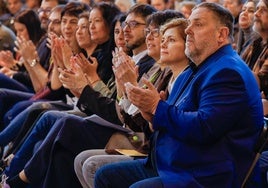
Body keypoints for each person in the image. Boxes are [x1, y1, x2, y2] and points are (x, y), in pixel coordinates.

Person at [94, 2, 264, 188]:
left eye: (198, 24)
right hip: (173, 164)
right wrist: (152, 116)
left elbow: (203, 127)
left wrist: (156, 107)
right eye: (189, 23)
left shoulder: (227, 72)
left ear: (221, 34)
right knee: (104, 175)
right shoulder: (198, 68)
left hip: (204, 175)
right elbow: (174, 115)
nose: (188, 30)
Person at [74, 11, 187, 188]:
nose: (124, 32)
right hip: (143, 142)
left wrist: (94, 84)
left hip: (145, 146)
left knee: (74, 136)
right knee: (74, 144)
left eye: (158, 33)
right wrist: (125, 91)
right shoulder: (155, 70)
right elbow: (130, 117)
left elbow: (130, 121)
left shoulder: (161, 71)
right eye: (148, 32)